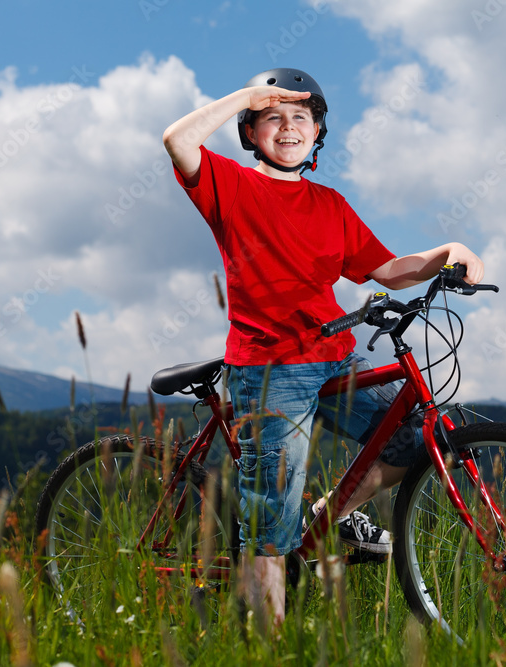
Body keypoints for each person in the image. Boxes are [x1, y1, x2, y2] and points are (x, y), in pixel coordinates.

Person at [162, 67, 484, 625]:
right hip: (269, 370)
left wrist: (450, 250)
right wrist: (246, 94)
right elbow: (177, 140)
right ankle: (266, 649)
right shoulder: (231, 186)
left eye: (301, 118)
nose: (288, 127)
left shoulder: (331, 205)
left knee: (415, 436)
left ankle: (325, 515)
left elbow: (388, 270)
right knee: (269, 527)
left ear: (317, 134)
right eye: (273, 117)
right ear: (249, 132)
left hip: (333, 354)